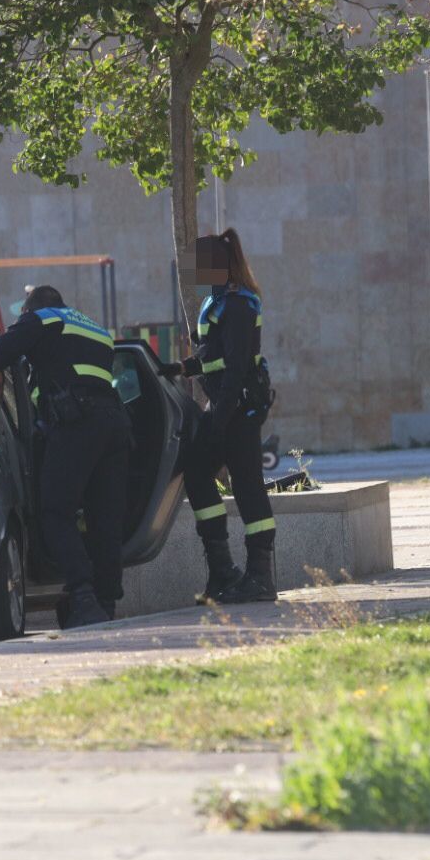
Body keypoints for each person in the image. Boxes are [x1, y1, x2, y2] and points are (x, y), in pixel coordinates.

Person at [0, 286, 130, 628]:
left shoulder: (40, 320)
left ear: (30, 310)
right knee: (105, 518)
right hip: (115, 425)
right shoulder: (96, 329)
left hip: (76, 423)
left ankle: (82, 595)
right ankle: (105, 603)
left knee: (55, 510)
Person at [169, 229, 278, 604]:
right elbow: (210, 353)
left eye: (196, 266)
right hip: (224, 407)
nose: (191, 273)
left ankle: (260, 578)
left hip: (238, 409)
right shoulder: (216, 302)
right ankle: (222, 572)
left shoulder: (238, 304)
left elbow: (234, 368)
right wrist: (180, 369)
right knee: (197, 473)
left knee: (248, 487)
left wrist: (218, 421)